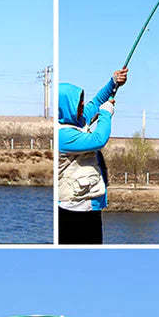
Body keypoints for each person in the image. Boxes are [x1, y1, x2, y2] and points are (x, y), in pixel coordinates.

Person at [58, 67, 128, 245]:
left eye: (81, 103)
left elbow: (96, 102)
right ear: (65, 106)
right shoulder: (62, 135)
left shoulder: (78, 121)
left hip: (89, 205)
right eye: (78, 104)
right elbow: (99, 139)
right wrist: (106, 114)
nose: (82, 107)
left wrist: (113, 82)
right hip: (74, 211)